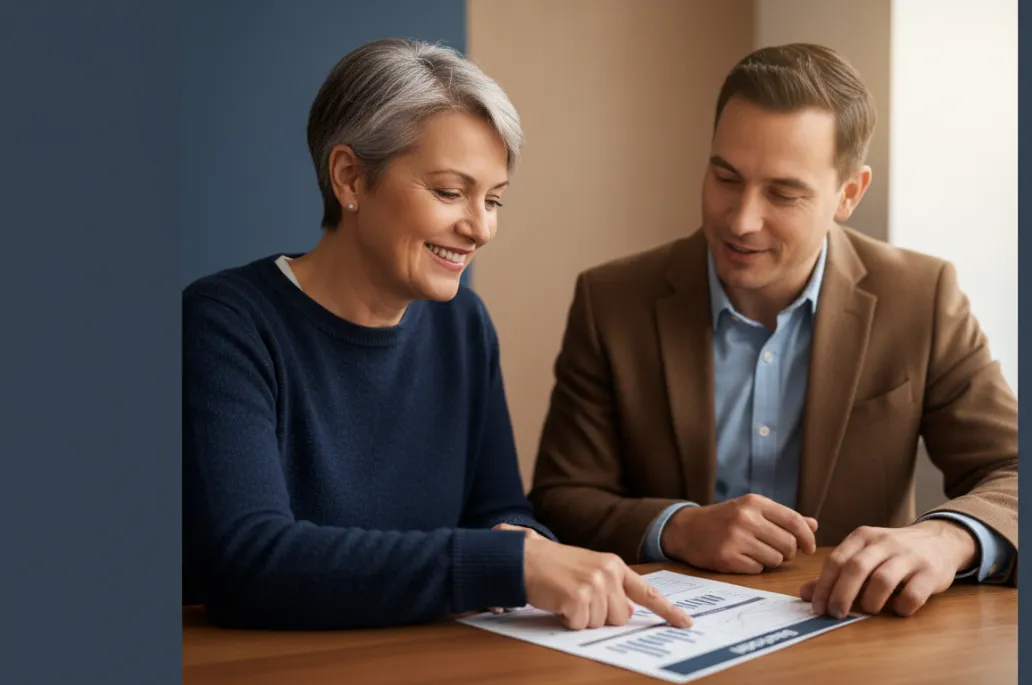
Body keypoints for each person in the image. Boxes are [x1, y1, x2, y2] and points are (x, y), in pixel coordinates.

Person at [182, 38, 691, 632]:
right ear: (349, 177)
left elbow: (499, 511)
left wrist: (525, 543)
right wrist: (505, 562)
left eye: (493, 200)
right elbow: (247, 560)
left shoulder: (464, 325)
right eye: (450, 192)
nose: (480, 228)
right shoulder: (225, 323)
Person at [529, 43, 1017, 619]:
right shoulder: (611, 300)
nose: (741, 220)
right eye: (725, 177)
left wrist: (946, 537)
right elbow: (560, 500)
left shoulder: (922, 297)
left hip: (855, 638)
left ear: (849, 194)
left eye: (784, 193)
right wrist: (678, 527)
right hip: (663, 633)